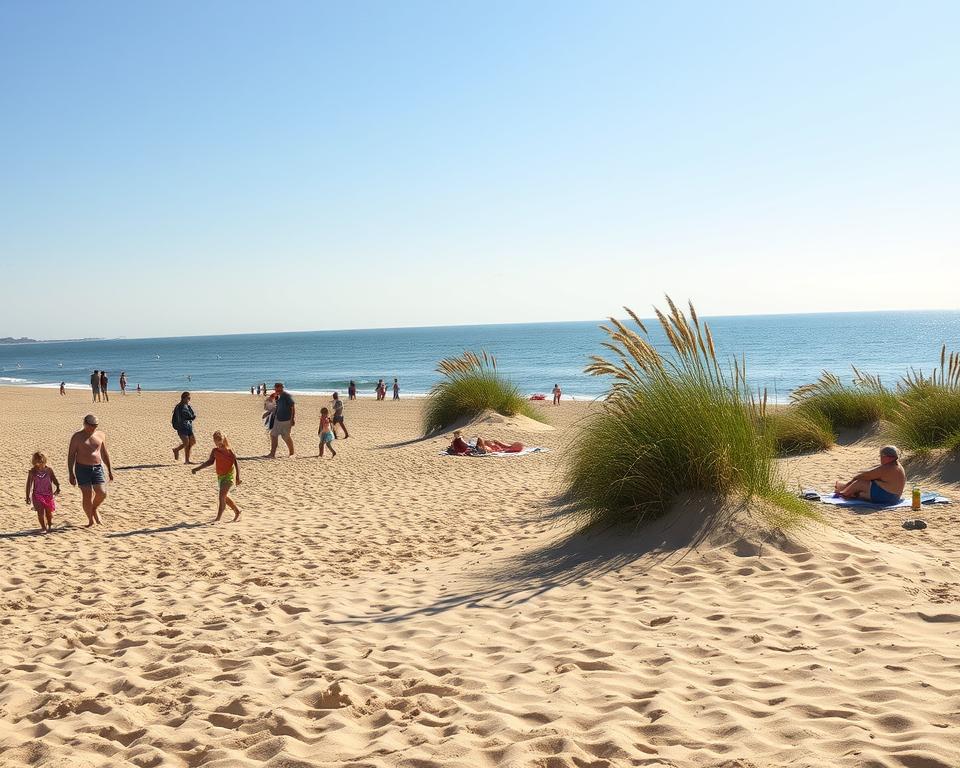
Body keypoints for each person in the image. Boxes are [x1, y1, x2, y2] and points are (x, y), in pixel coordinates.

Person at [67, 414, 113, 527]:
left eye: (95, 425)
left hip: (97, 468)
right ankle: (90, 520)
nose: (93, 428)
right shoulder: (77, 437)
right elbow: (71, 455)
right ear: (85, 423)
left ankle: (94, 509)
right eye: (91, 425)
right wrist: (71, 473)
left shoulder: (100, 435)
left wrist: (109, 469)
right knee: (87, 495)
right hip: (82, 468)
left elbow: (104, 453)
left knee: (102, 493)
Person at [192, 431, 242, 522]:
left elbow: (236, 463)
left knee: (221, 496)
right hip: (220, 477)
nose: (218, 444)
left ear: (223, 440)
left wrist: (238, 477)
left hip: (229, 475)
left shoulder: (229, 451)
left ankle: (218, 518)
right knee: (224, 497)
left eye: (219, 441)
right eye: (215, 441)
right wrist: (198, 468)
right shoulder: (215, 451)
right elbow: (210, 462)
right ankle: (237, 511)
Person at [835, 445, 907, 505]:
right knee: (861, 493)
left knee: (860, 483)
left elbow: (864, 476)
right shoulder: (897, 466)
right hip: (894, 498)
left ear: (887, 457)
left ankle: (844, 493)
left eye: (881, 456)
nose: (880, 458)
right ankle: (847, 490)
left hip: (887, 496)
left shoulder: (887, 468)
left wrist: (850, 482)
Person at [26, 452, 61, 533]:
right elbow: (29, 485)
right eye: (38, 462)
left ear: (45, 461)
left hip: (48, 495)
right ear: (34, 462)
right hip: (37, 495)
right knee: (40, 512)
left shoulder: (49, 470)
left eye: (42, 462)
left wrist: (58, 487)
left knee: (49, 512)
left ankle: (49, 525)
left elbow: (54, 479)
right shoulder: (32, 472)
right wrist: (27, 496)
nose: (40, 464)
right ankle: (43, 528)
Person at [268, 382, 295, 457]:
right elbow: (271, 404)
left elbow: (292, 407)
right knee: (273, 435)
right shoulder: (276, 396)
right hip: (278, 419)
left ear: (282, 388)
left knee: (286, 436)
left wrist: (292, 419)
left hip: (286, 419)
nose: (277, 390)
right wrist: (272, 397)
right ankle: (272, 453)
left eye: (279, 388)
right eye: (276, 388)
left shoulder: (287, 396)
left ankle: (292, 453)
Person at [171, 392, 197, 464]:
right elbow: (177, 418)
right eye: (188, 398)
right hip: (182, 427)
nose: (189, 399)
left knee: (192, 442)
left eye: (189, 398)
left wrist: (192, 416)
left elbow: (192, 416)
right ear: (183, 398)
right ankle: (176, 450)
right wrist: (179, 426)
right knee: (186, 442)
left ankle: (187, 460)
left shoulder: (188, 406)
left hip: (189, 426)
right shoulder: (179, 407)